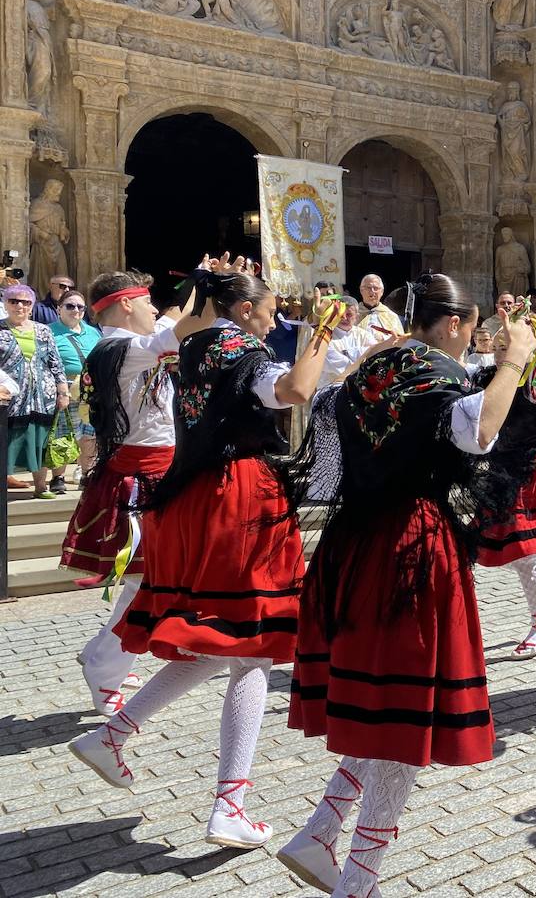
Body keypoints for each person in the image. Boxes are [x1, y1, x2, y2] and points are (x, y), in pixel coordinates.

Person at [278, 276, 536, 895]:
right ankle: (359, 880)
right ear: (453, 324)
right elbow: (479, 432)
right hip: (410, 550)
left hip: (355, 541)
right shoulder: (437, 373)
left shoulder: (369, 371)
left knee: (385, 704)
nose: (471, 340)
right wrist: (515, 361)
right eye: (470, 328)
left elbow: (327, 466)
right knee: (405, 715)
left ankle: (321, 830)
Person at [68, 265, 337, 849]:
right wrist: (319, 335)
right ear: (244, 310)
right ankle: (228, 803)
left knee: (219, 641)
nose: (274, 320)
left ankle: (113, 736)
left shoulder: (191, 348)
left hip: (193, 494)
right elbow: (294, 391)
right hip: (238, 495)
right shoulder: (238, 347)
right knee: (253, 650)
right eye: (269, 311)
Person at [60, 269, 207, 717]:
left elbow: (175, 321)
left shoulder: (128, 345)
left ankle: (103, 654)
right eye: (146, 302)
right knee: (147, 582)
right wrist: (206, 286)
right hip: (141, 481)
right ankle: (105, 667)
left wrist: (202, 283)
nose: (153, 310)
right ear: (126, 304)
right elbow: (179, 327)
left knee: (147, 580)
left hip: (155, 476)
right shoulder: (121, 349)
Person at [474, 328, 536, 659]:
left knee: (523, 551)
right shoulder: (486, 376)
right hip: (500, 469)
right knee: (504, 548)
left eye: (509, 346)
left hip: (533, 469)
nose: (502, 352)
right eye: (498, 346)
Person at [1, 283, 69, 497]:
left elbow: (55, 363)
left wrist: (63, 392)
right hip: (9, 399)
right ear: (5, 304)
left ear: (32, 306)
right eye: (14, 301)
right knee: (7, 440)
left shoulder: (43, 330)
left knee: (40, 441)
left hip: (42, 398)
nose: (20, 306)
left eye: (25, 302)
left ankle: (40, 487)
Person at [48, 288, 101, 493]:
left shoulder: (93, 332)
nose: (76, 310)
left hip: (90, 389)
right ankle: (58, 477)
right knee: (63, 434)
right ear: (59, 308)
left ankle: (87, 474)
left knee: (89, 434)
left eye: (80, 307)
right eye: (70, 306)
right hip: (65, 389)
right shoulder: (49, 331)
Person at [356, 274, 403, 342]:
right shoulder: (352, 314)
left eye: (376, 288)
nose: (372, 291)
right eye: (368, 288)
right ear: (361, 290)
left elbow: (400, 340)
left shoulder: (391, 316)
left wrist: (383, 338)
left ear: (382, 292)